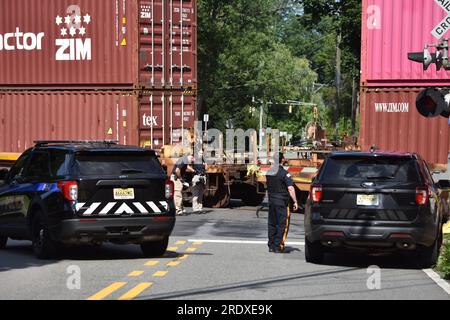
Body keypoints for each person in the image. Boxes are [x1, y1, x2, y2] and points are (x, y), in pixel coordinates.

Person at [266, 152, 299, 253]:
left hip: (271, 201)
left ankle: (271, 245)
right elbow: (290, 188)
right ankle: (278, 246)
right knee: (282, 224)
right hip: (282, 202)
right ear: (282, 159)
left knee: (272, 223)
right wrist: (295, 201)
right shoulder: (284, 173)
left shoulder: (269, 172)